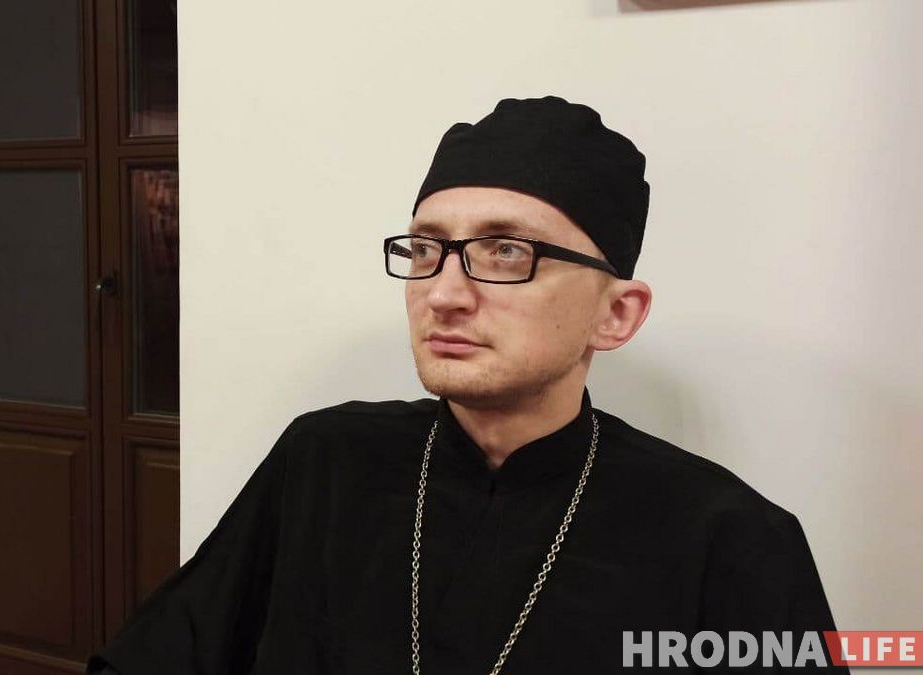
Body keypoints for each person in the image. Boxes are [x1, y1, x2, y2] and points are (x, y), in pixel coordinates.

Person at [87, 96, 845, 674]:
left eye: (507, 250)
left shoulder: (730, 539)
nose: (444, 293)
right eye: (426, 249)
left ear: (615, 315)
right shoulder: (326, 459)